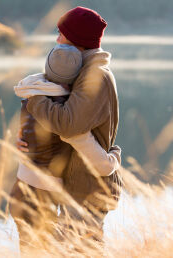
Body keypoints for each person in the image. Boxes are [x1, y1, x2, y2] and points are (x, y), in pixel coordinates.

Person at [9, 6, 122, 249]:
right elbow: (66, 126)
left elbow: (69, 126)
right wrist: (25, 137)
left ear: (77, 41)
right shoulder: (82, 72)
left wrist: (34, 97)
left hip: (89, 192)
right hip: (77, 186)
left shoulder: (96, 76)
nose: (57, 39)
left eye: (61, 34)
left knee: (81, 252)